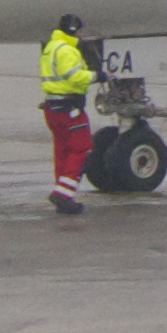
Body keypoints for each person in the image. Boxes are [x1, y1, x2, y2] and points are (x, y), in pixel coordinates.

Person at [38, 13, 98, 215]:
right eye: (80, 31)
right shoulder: (67, 51)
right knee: (81, 148)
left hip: (52, 108)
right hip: (69, 109)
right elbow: (74, 78)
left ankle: (61, 192)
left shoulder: (51, 47)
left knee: (62, 150)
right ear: (74, 31)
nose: (81, 35)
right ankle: (63, 194)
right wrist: (97, 75)